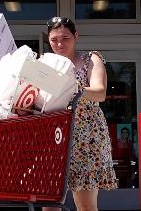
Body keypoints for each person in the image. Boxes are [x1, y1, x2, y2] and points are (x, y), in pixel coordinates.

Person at [46, 16, 117, 211]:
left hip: (86, 137)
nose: (60, 44)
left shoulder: (90, 59)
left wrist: (72, 88)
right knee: (48, 203)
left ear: (76, 36)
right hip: (53, 137)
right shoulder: (44, 64)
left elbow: (100, 92)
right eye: (54, 40)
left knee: (85, 205)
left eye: (65, 38)